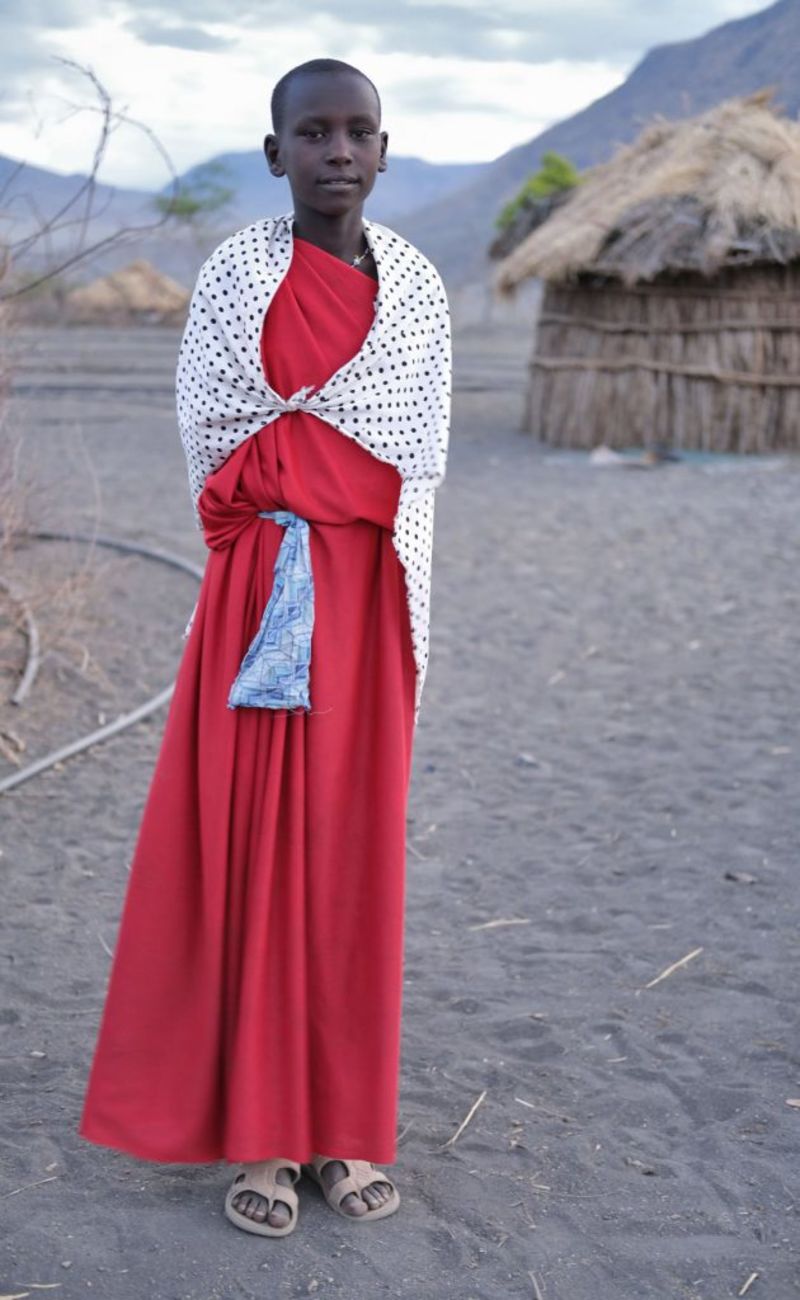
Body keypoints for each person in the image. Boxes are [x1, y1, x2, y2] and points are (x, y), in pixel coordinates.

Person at [79, 57, 451, 1237]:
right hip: (257, 603)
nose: (337, 150)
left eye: (358, 132)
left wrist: (319, 469)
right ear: (274, 151)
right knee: (251, 846)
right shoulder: (236, 276)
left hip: (367, 601)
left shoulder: (423, 295)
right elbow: (222, 440)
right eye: (313, 132)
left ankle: (343, 1133)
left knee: (347, 858)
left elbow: (407, 462)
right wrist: (304, 475)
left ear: (383, 153)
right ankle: (264, 1137)